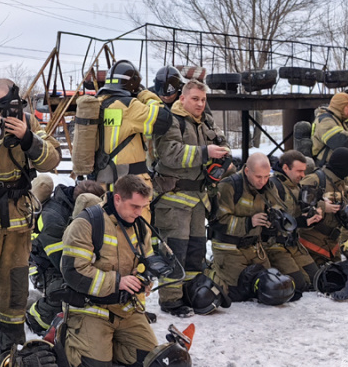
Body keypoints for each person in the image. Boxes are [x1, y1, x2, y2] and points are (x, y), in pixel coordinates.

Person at [0, 78, 61, 366]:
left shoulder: (29, 123)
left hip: (19, 220)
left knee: (15, 286)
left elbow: (51, 160)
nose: (13, 113)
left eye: (17, 106)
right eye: (7, 107)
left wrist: (28, 138)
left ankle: (10, 350)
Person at [59, 175, 184, 367]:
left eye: (143, 207)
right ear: (117, 199)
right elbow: (74, 272)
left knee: (149, 358)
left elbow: (144, 260)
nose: (139, 212)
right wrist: (117, 282)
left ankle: (104, 344)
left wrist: (144, 279)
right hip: (91, 308)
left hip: (124, 309)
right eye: (134, 206)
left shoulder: (139, 224)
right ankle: (65, 335)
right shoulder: (87, 223)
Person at [152, 79, 230, 315]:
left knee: (196, 250)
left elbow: (221, 142)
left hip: (198, 198)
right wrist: (205, 153)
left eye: (203, 99)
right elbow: (169, 154)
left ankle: (191, 292)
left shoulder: (205, 120)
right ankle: (171, 300)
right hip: (174, 199)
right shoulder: (170, 121)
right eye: (195, 99)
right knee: (174, 250)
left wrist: (222, 157)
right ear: (182, 98)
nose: (200, 104)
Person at [207, 153, 296, 305]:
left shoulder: (268, 187)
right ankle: (209, 270)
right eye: (258, 177)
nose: (263, 181)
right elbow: (218, 221)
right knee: (236, 294)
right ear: (247, 171)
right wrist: (249, 222)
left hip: (255, 247)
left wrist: (272, 223)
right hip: (229, 247)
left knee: (269, 286)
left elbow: (279, 209)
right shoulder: (229, 186)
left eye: (266, 176)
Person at [25, 180, 104, 335]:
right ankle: (37, 316)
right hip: (45, 266)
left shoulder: (74, 207)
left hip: (64, 258)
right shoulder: (53, 219)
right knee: (67, 289)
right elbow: (64, 264)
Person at [91, 60, 173, 192]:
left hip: (101, 185)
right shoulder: (129, 106)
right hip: (129, 189)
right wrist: (145, 94)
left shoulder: (97, 104)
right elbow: (165, 119)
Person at [298, 147, 348, 270]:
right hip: (312, 242)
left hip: (332, 243)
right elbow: (297, 206)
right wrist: (323, 207)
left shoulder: (340, 183)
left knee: (345, 275)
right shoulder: (314, 180)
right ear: (343, 166)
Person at [267, 151, 324, 288]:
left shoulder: (296, 186)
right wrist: (302, 221)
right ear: (286, 168)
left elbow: (299, 215)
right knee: (300, 285)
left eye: (304, 171)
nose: (303, 175)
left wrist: (313, 216)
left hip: (293, 244)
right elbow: (274, 222)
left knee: (318, 280)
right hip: (275, 246)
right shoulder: (273, 187)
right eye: (299, 171)